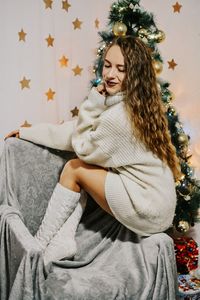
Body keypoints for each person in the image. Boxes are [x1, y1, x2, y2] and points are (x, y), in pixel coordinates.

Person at [5, 35, 181, 267]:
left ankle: (40, 245)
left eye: (121, 69)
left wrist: (92, 102)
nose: (110, 74)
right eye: (107, 65)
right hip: (159, 204)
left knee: (75, 168)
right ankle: (63, 240)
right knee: (87, 169)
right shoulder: (132, 103)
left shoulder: (121, 117)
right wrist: (29, 132)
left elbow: (82, 146)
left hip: (149, 206)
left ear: (135, 74)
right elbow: (77, 132)